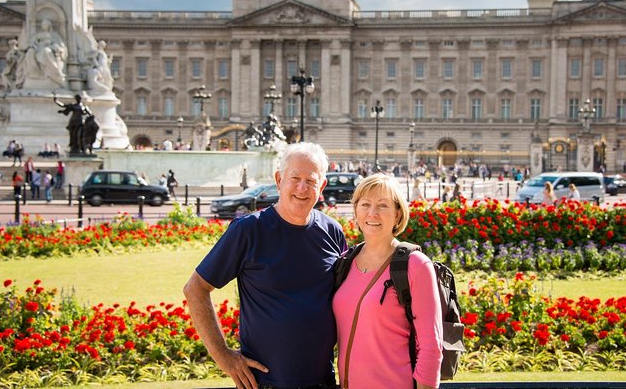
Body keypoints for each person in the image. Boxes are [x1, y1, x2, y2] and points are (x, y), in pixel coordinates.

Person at [183, 142, 347, 389]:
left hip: (323, 381)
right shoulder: (248, 230)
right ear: (279, 179)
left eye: (311, 181)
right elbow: (195, 288)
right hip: (264, 383)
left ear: (322, 186)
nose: (302, 188)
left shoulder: (332, 231)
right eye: (295, 178)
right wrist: (224, 357)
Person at [333, 173, 442, 389]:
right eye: (365, 204)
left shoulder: (416, 265)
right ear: (356, 211)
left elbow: (431, 346)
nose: (372, 213)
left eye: (382, 205)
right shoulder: (345, 262)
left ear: (397, 214)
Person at [21, 18, 68, 87]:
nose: (44, 26)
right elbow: (32, 41)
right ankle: (34, 73)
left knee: (46, 51)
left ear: (49, 25)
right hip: (38, 49)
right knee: (30, 52)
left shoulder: (54, 34)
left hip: (49, 49)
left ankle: (55, 73)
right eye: (43, 24)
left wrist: (51, 45)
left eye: (45, 24)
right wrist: (33, 45)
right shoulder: (38, 34)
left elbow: (59, 44)